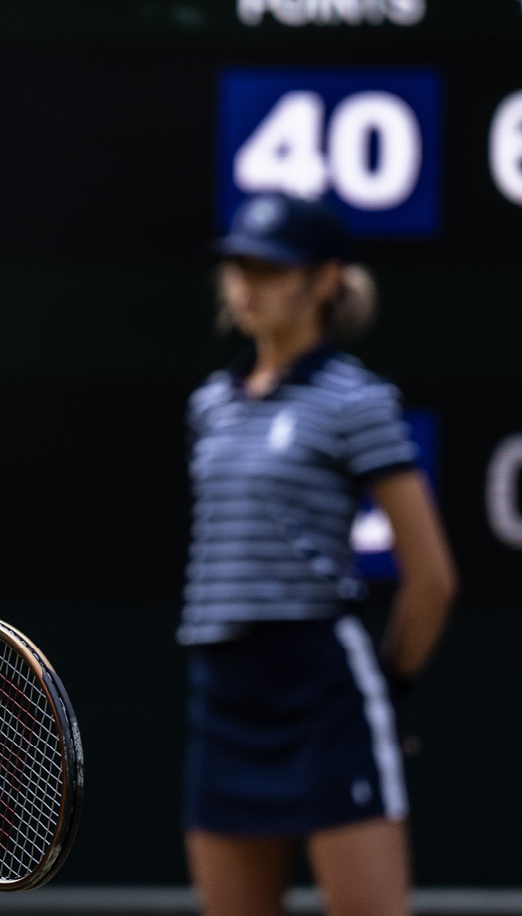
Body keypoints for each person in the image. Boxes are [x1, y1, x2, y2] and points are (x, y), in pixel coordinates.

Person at [180, 194, 458, 916]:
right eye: (239, 267)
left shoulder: (357, 401)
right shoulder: (211, 403)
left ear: (325, 280)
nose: (247, 285)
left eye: (270, 269)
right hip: (223, 690)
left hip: (319, 688)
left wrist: (385, 695)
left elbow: (431, 578)